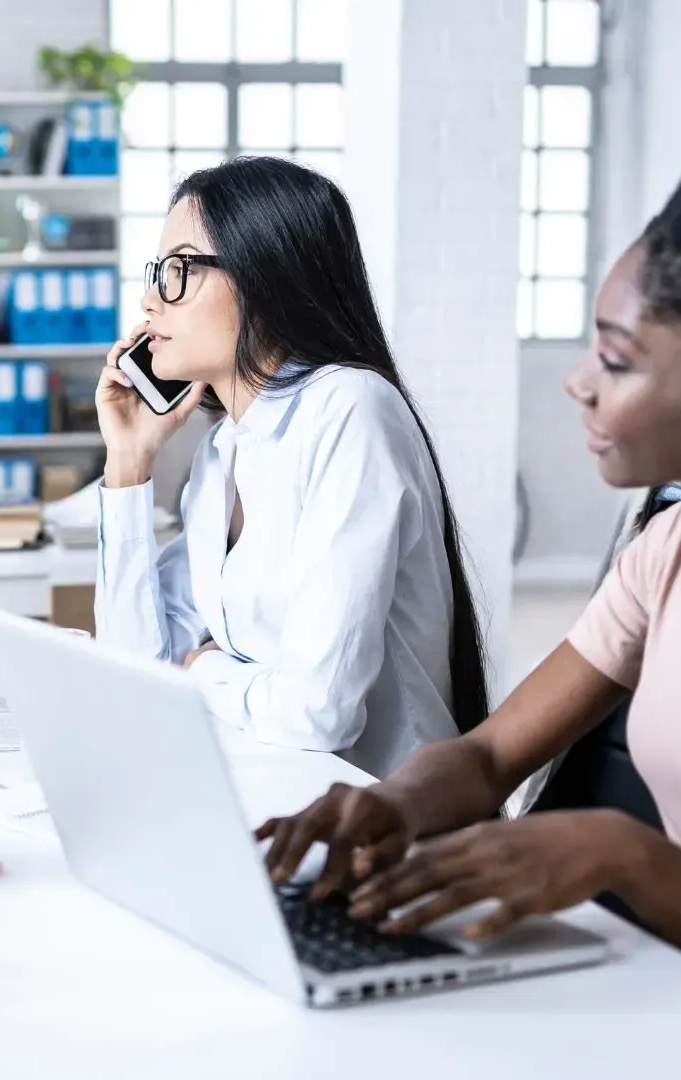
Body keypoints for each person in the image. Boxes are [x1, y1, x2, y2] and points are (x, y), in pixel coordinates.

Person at [256, 82, 681, 1007]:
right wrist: (393, 802)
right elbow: (491, 756)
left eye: (618, 362)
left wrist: (636, 863)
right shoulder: (678, 543)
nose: (578, 385)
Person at [94, 156, 487, 778]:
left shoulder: (351, 409)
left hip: (382, 820)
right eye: (156, 272)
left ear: (265, 276)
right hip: (277, 788)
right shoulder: (225, 451)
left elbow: (319, 713)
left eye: (179, 271)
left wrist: (202, 668)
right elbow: (134, 665)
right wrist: (128, 462)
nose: (149, 301)